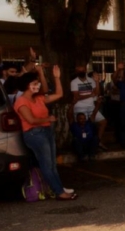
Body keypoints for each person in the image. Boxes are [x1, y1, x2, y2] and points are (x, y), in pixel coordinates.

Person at [14, 65, 77, 201]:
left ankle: (59, 188)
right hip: (35, 134)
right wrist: (47, 119)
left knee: (52, 164)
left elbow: (59, 94)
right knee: (47, 164)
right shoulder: (21, 101)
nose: (37, 86)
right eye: (34, 83)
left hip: (46, 131)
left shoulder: (39, 98)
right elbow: (30, 120)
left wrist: (57, 78)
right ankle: (59, 191)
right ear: (27, 85)